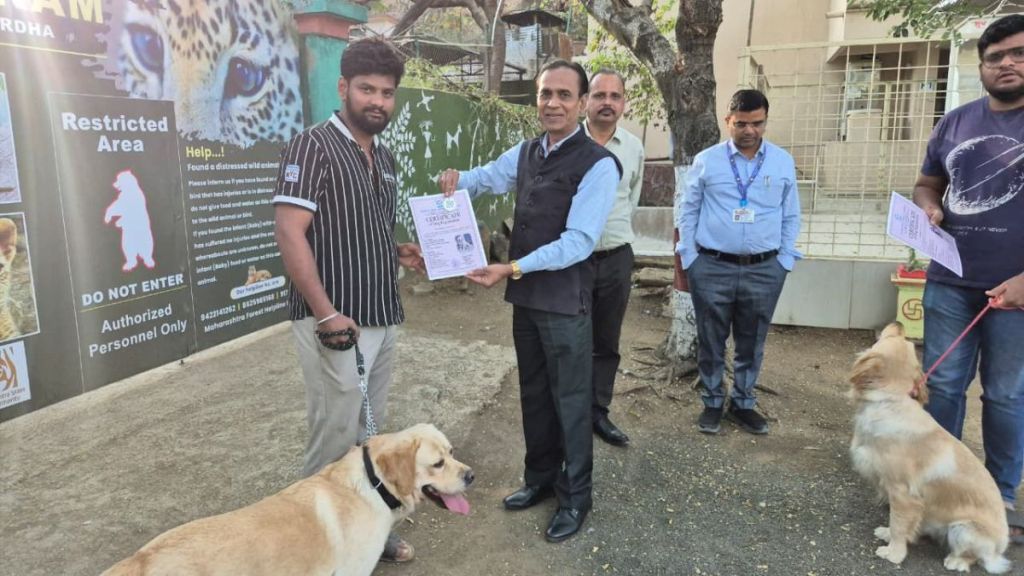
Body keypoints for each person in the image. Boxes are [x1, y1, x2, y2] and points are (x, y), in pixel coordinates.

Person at [436, 60, 621, 543]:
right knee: (534, 394)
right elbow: (487, 177)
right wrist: (457, 179)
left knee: (571, 400)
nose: (553, 103)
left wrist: (511, 267)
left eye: (564, 95)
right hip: (528, 301)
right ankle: (539, 478)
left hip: (563, 302)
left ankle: (575, 496)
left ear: (582, 103)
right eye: (545, 94)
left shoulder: (599, 164)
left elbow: (579, 242)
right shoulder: (526, 152)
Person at [272, 38, 425, 563]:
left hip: (381, 314)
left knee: (367, 436)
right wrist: (326, 313)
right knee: (333, 437)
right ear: (343, 87)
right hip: (336, 321)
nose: (377, 101)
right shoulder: (311, 147)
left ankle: (365, 532)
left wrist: (396, 250)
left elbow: (362, 228)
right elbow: (290, 232)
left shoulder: (384, 156)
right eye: (367, 89)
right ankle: (304, 547)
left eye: (387, 92)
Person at [913, 13, 1024, 543]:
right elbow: (926, 184)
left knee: (1005, 396)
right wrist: (928, 207)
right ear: (980, 67)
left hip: (1017, 294)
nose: (1006, 64)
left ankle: (999, 497)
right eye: (994, 57)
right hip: (950, 282)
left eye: (1018, 53)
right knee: (944, 388)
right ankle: (940, 491)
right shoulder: (954, 123)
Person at [676, 88, 801, 436]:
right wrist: (690, 257)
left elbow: (791, 214)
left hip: (764, 269)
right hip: (711, 266)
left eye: (757, 123)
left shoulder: (781, 161)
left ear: (765, 121)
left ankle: (743, 404)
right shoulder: (707, 160)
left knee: (752, 340)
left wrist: (784, 260)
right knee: (711, 339)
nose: (750, 131)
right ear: (728, 120)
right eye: (742, 123)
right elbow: (688, 208)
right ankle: (713, 402)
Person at [582, 69, 645, 447]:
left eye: (615, 96)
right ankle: (568, 410)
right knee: (570, 338)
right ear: (585, 101)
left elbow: (631, 199)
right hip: (573, 262)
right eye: (599, 95)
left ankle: (597, 411)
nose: (607, 102)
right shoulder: (567, 144)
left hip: (617, 257)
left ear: (623, 102)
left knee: (606, 340)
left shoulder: (633, 147)